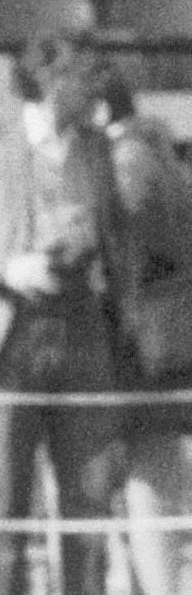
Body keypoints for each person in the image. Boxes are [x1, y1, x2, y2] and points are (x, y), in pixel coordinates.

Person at [0, 32, 129, 595]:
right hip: (10, 333)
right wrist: (5, 268)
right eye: (83, 77)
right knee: (7, 502)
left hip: (81, 332)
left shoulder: (95, 147)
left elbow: (112, 234)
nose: (96, 89)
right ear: (48, 80)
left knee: (87, 497)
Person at [97, 69, 192, 595]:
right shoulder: (157, 152)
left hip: (144, 347)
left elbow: (124, 257)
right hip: (166, 342)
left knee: (148, 478)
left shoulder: (128, 162)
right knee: (153, 475)